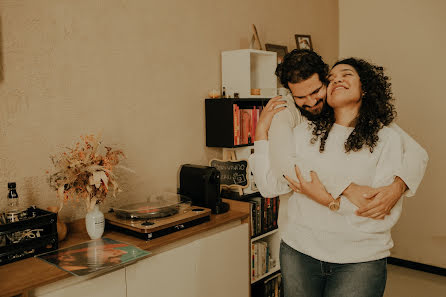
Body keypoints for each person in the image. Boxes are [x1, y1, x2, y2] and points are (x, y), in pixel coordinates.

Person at [250, 58, 427, 296]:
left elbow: (378, 214)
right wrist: (260, 132)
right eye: (332, 78)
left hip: (360, 261)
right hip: (299, 253)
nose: (337, 80)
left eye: (346, 75)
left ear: (365, 87)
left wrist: (328, 199)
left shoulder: (387, 137)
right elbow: (278, 181)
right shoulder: (302, 132)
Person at [265, 49, 428, 219]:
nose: (311, 102)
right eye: (301, 97)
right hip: (297, 230)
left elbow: (417, 153)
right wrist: (346, 190)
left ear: (325, 83)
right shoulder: (287, 113)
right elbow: (283, 166)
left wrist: (398, 187)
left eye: (315, 92)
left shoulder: (376, 126)